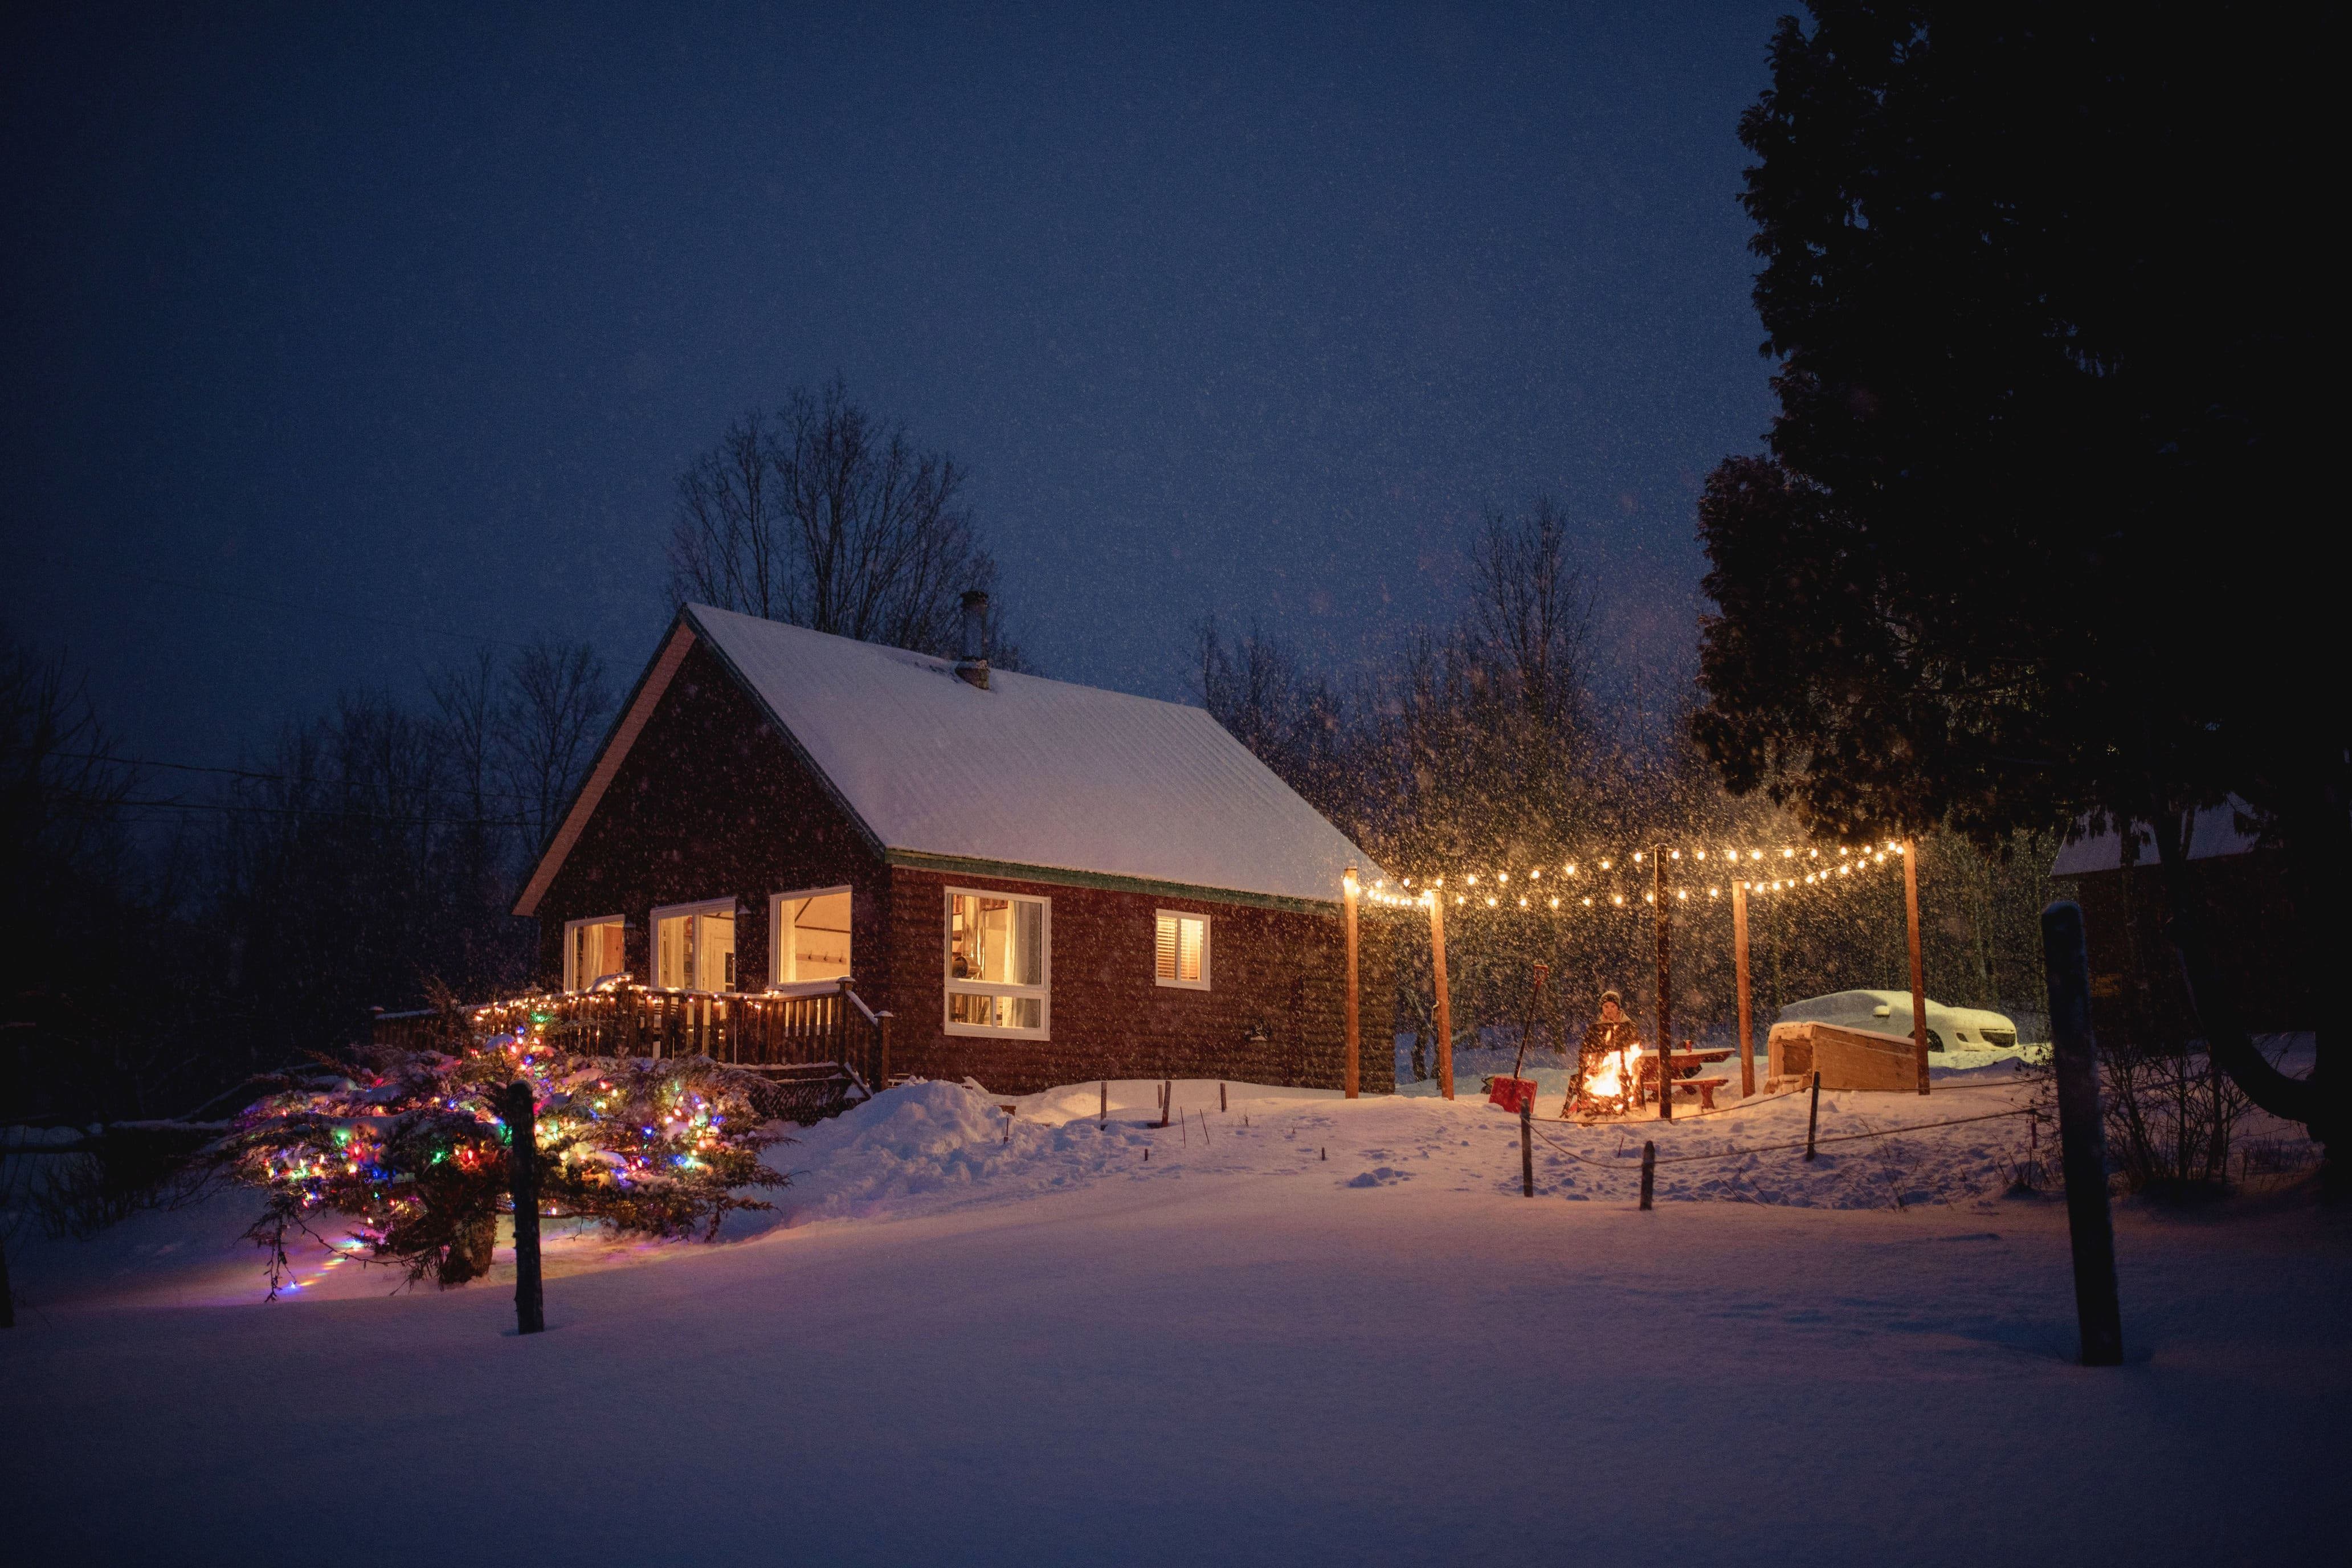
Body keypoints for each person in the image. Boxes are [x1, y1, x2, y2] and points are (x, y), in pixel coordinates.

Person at [1569, 989, 1643, 1117]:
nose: (1610, 1010)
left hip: (1623, 1067)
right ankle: (1596, 1102)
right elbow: (1586, 1047)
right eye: (1606, 1006)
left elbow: (1635, 1047)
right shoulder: (1595, 1028)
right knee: (1589, 1075)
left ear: (1618, 1008)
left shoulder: (1628, 1026)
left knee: (1621, 1073)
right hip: (1599, 1067)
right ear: (1602, 1008)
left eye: (1613, 1006)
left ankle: (1621, 1104)